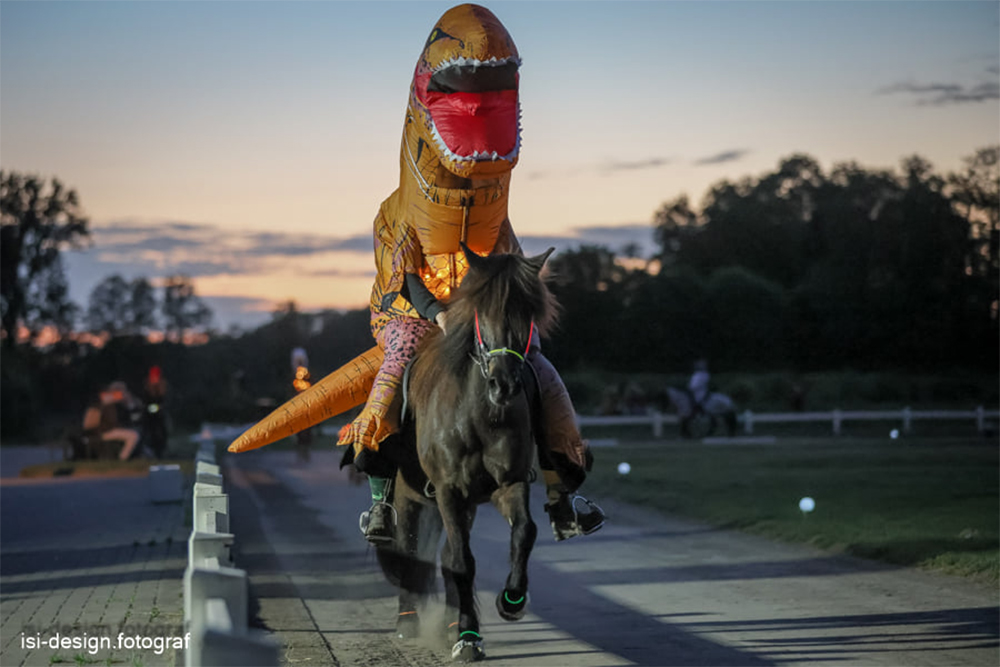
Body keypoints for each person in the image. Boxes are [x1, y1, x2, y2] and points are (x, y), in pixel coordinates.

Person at [339, 3, 604, 544]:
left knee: (542, 374)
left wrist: (509, 296)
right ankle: (382, 500)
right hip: (412, 318)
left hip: (479, 322)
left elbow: (506, 270)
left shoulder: (496, 221)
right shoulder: (393, 215)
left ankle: (561, 494)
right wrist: (438, 315)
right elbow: (402, 278)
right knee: (393, 374)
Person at [98, 381, 142, 460]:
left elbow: (133, 406)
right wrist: (122, 395)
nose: (122, 392)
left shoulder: (117, 402)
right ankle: (122, 458)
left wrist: (129, 400)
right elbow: (107, 398)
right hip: (104, 431)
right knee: (134, 436)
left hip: (114, 429)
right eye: (120, 389)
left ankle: (132, 456)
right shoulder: (105, 398)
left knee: (136, 431)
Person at [142, 366, 169, 458]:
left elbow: (165, 399)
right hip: (149, 415)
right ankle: (153, 452)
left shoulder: (163, 385)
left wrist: (160, 407)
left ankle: (161, 452)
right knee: (151, 433)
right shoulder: (147, 385)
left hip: (160, 414)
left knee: (162, 433)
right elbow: (145, 400)